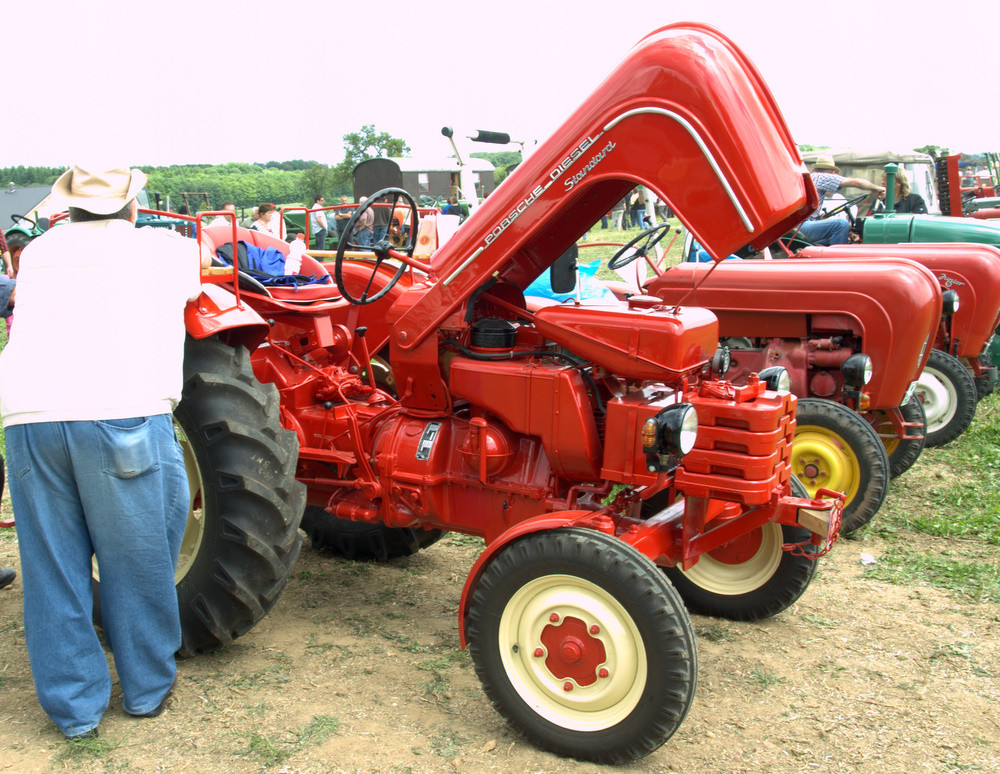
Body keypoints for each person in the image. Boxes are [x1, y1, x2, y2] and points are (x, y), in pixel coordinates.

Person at [0, 165, 210, 740]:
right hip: (121, 411)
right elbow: (205, 266)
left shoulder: (37, 253)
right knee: (138, 558)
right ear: (133, 206)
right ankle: (143, 691)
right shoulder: (167, 250)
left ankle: (74, 710)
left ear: (69, 207)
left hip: (29, 419)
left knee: (52, 566)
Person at [796, 156, 885, 246]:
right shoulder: (820, 177)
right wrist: (877, 189)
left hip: (804, 225)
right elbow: (858, 183)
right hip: (801, 226)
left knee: (838, 235)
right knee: (841, 224)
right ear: (832, 172)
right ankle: (839, 258)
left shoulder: (813, 178)